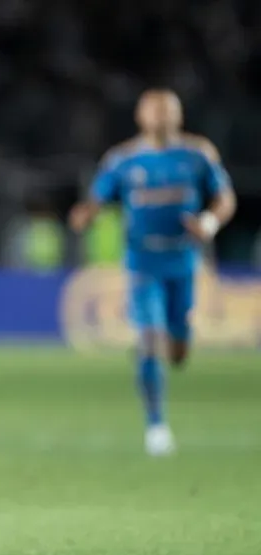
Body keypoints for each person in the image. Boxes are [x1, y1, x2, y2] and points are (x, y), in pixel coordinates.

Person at [69, 88, 236, 456]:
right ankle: (156, 426)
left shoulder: (197, 154)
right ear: (140, 117)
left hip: (183, 262)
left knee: (176, 349)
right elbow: (98, 197)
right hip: (143, 263)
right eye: (154, 111)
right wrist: (87, 213)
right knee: (149, 339)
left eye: (167, 111)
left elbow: (225, 198)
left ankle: (179, 339)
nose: (160, 117)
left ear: (178, 116)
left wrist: (208, 222)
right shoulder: (123, 160)